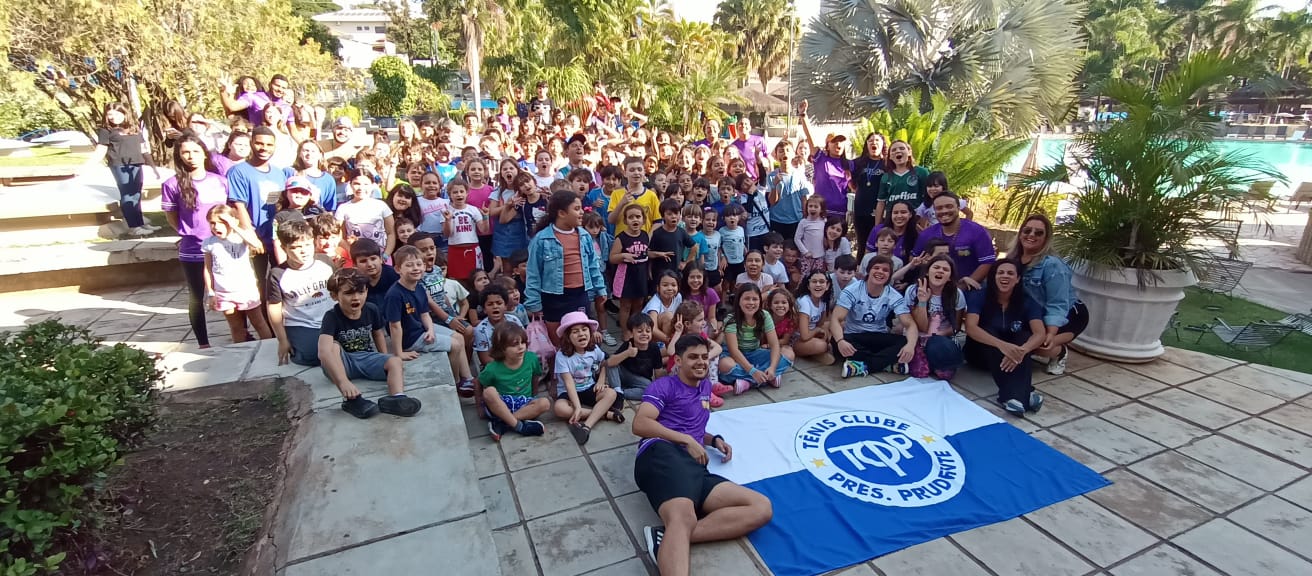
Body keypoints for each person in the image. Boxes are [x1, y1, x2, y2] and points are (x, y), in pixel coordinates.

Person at [633, 334, 773, 576]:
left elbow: (692, 425)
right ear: (678, 361)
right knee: (682, 517)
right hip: (662, 454)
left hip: (695, 465)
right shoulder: (664, 385)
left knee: (760, 507)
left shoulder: (705, 386)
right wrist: (686, 440)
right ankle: (678, 532)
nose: (701, 362)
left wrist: (713, 440)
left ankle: (668, 538)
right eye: (693, 357)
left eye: (704, 357)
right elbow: (640, 423)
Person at [317, 268, 423, 419]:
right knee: (332, 346)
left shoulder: (371, 309)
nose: (356, 298)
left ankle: (397, 399)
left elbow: (378, 333)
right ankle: (352, 400)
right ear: (334, 296)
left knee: (394, 361)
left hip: (366, 357)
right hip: (342, 362)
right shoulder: (331, 316)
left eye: (361, 292)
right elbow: (324, 352)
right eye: (349, 293)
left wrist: (383, 357)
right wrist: (343, 381)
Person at [162, 133, 230, 348]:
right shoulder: (172, 184)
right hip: (193, 248)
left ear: (204, 153)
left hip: (222, 246)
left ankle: (240, 333)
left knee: (232, 291)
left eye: (195, 151)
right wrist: (187, 231)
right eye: (185, 153)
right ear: (179, 156)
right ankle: (203, 342)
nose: (191, 157)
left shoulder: (220, 181)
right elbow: (172, 217)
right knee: (196, 296)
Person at [963, 259, 1046, 416]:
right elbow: (971, 328)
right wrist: (1002, 345)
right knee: (989, 331)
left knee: (1024, 338)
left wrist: (1022, 350)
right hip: (980, 354)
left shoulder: (1027, 301)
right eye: (1000, 272)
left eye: (1010, 273)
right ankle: (1025, 394)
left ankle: (1012, 397)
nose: (1005, 276)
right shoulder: (980, 296)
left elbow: (1039, 333)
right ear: (993, 277)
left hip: (1013, 356)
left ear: (1018, 279)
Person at [525, 190, 609, 343]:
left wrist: (600, 288)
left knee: (580, 339)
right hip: (553, 298)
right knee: (557, 341)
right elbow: (533, 274)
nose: (582, 212)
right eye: (576, 209)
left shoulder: (584, 236)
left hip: (579, 295)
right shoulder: (541, 239)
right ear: (562, 213)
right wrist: (534, 304)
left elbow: (593, 266)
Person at [1009, 214, 1087, 375]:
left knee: (1038, 345)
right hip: (1033, 315)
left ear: (1046, 238)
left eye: (1038, 233)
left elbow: (1057, 303)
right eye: (1027, 230)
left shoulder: (1052, 265)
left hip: (1067, 314)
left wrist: (1050, 333)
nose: (1031, 235)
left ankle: (1060, 352)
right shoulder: (1012, 259)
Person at [828, 256, 918, 377]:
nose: (880, 272)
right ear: (868, 271)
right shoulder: (852, 290)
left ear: (889, 275)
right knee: (837, 341)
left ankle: (862, 366)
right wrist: (840, 341)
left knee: (905, 341)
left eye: (885, 270)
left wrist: (910, 346)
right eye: (876, 268)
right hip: (855, 336)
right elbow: (836, 319)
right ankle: (886, 363)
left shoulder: (893, 295)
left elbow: (910, 324)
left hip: (878, 335)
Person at [202, 205, 274, 345]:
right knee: (236, 327)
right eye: (212, 223)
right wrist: (210, 292)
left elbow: (256, 244)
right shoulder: (209, 243)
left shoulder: (240, 238)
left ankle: (270, 348)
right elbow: (207, 269)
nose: (216, 227)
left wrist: (234, 226)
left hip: (245, 290)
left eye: (222, 223)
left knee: (258, 322)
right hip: (223, 292)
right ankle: (241, 353)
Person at [268, 220, 337, 366]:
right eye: (296, 247)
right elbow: (274, 307)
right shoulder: (277, 274)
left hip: (332, 318)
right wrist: (282, 339)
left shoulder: (325, 262)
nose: (304, 251)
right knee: (312, 356)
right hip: (303, 323)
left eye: (307, 245)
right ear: (284, 248)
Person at [553, 312, 623, 445]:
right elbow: (568, 383)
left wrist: (601, 380)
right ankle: (605, 414)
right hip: (569, 392)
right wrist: (577, 407)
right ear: (567, 337)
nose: (581, 334)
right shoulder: (561, 356)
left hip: (589, 387)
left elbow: (604, 362)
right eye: (575, 331)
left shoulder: (594, 349)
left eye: (584, 329)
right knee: (559, 408)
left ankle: (587, 427)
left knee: (611, 393)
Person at [94, 102, 159, 237]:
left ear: (124, 113)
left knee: (136, 195)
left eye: (116, 113)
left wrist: (153, 166)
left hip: (136, 163)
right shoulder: (106, 131)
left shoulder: (134, 128)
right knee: (127, 195)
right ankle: (133, 226)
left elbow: (143, 149)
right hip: (120, 165)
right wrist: (87, 166)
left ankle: (140, 222)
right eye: (109, 114)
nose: (112, 117)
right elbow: (101, 150)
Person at [229, 126, 288, 274]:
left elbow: (275, 203)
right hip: (254, 237)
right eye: (259, 143)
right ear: (251, 143)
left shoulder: (278, 173)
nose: (264, 148)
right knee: (257, 282)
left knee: (280, 277)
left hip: (275, 237)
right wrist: (251, 236)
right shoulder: (238, 171)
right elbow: (238, 206)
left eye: (269, 145)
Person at [714, 283, 791, 395]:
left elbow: (774, 344)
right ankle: (762, 379)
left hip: (754, 352)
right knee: (725, 365)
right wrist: (752, 371)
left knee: (788, 354)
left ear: (760, 301)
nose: (751, 303)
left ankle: (749, 381)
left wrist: (773, 368)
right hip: (734, 356)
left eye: (755, 299)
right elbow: (734, 351)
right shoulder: (731, 319)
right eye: (746, 299)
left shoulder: (764, 315)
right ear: (739, 301)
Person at [481, 322, 551, 440]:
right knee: (489, 392)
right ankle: (521, 427)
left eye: (523, 342)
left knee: (545, 403)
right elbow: (479, 383)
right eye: (515, 344)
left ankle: (503, 423)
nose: (521, 347)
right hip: (502, 403)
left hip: (523, 403)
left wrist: (534, 396)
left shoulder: (531, 358)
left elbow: (535, 377)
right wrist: (479, 406)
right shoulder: (492, 368)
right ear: (502, 348)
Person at [914, 192, 995, 290]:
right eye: (939, 208)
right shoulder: (926, 234)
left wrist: (962, 287)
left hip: (969, 288)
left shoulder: (977, 231)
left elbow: (987, 262)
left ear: (958, 207)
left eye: (949, 206)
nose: (944, 211)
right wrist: (924, 263)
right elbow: (914, 258)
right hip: (934, 289)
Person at [904, 255, 967, 379]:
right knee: (919, 369)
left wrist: (936, 336)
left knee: (943, 362)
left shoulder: (957, 294)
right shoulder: (912, 290)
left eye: (945, 270)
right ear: (927, 271)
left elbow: (956, 327)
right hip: (916, 336)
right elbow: (919, 326)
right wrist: (922, 302)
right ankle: (926, 358)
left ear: (949, 277)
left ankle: (933, 360)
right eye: (936, 267)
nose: (940, 271)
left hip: (940, 338)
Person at [797, 100, 851, 219]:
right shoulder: (821, 159)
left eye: (841, 141)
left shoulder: (850, 164)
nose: (838, 144)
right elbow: (811, 139)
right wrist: (803, 116)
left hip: (840, 213)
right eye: (834, 142)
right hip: (821, 212)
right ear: (827, 144)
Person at [611, 204, 652, 341]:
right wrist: (623, 256)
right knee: (625, 305)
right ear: (625, 220)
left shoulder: (645, 235)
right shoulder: (621, 238)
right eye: (631, 217)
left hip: (641, 275)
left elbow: (645, 252)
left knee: (639, 304)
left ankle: (636, 328)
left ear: (643, 219)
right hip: (626, 275)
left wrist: (656, 254)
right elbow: (612, 258)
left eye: (638, 217)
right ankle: (625, 331)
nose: (635, 220)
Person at [336, 169, 397, 257]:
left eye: (365, 184)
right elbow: (340, 236)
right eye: (356, 184)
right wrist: (351, 254)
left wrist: (386, 254)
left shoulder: (382, 206)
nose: (361, 188)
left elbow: (391, 233)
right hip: (355, 256)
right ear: (350, 185)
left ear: (372, 185)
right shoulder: (343, 208)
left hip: (380, 255)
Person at [443, 178, 489, 282]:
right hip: (455, 250)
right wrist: (448, 220)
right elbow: (447, 234)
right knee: (457, 280)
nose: (459, 195)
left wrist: (486, 217)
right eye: (455, 192)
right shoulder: (447, 211)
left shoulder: (473, 210)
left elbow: (483, 230)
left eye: (461, 191)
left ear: (467, 193)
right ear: (449, 194)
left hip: (473, 249)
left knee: (476, 279)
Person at [852, 132, 887, 263]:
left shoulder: (887, 164)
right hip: (860, 211)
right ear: (866, 144)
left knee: (878, 244)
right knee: (862, 245)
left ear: (883, 144)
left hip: (879, 212)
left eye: (877, 140)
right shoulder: (858, 163)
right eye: (870, 140)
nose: (874, 143)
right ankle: (861, 274)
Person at [874, 140, 928, 223]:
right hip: (892, 221)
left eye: (902, 148)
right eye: (894, 150)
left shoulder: (922, 172)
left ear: (909, 152)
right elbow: (881, 202)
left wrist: (924, 222)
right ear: (890, 156)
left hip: (915, 220)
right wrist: (877, 227)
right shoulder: (886, 177)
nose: (898, 151)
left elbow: (928, 199)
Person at [649, 200, 698, 281]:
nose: (673, 216)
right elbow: (648, 253)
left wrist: (685, 263)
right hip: (659, 274)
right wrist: (659, 254)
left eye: (676, 213)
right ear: (663, 216)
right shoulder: (657, 233)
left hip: (676, 274)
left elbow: (694, 247)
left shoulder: (681, 232)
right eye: (669, 214)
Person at [795, 271, 835, 364]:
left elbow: (821, 324)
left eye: (821, 282)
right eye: (814, 281)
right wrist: (817, 331)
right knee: (822, 345)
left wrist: (823, 333)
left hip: (812, 335)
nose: (818, 285)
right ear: (808, 286)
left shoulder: (823, 301)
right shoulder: (804, 301)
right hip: (797, 339)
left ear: (827, 285)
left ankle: (815, 352)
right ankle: (816, 352)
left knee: (837, 325)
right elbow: (804, 336)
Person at [290, 140, 340, 213]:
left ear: (320, 155)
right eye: (305, 150)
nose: (309, 154)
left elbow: (330, 208)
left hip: (316, 219)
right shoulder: (290, 172)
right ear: (299, 154)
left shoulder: (328, 179)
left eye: (313, 151)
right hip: (293, 217)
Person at [867, 200, 920, 265]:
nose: (899, 216)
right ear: (891, 214)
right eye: (895, 213)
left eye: (903, 212)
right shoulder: (878, 230)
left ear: (910, 214)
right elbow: (867, 256)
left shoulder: (915, 236)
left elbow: (912, 265)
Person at [794, 195, 828, 280]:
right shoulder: (803, 222)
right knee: (805, 277)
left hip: (820, 256)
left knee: (817, 276)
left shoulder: (824, 221)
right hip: (807, 257)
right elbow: (797, 238)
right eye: (810, 206)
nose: (812, 208)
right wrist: (805, 252)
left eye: (816, 207)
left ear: (821, 209)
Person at [644, 270, 684, 343]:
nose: (669, 288)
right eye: (665, 285)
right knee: (668, 316)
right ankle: (667, 347)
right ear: (658, 288)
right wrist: (671, 341)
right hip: (648, 334)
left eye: (673, 285)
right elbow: (652, 328)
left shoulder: (678, 297)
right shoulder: (654, 303)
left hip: (667, 331)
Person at [731, 116, 771, 180]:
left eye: (746, 124)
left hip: (760, 178)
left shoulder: (759, 140)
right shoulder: (734, 146)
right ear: (737, 128)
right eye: (741, 124)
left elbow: (768, 158)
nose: (743, 126)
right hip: (743, 181)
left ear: (750, 128)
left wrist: (771, 174)